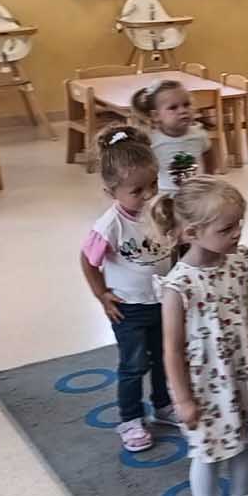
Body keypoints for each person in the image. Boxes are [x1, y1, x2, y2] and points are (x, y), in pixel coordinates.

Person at [156, 178, 248, 496]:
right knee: (209, 451)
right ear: (192, 232)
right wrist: (182, 399)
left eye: (239, 224)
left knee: (246, 439)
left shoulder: (241, 262)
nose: (237, 233)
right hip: (206, 384)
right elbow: (172, 350)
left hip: (243, 371)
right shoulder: (178, 286)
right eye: (226, 228)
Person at [79, 126, 176, 452]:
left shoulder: (158, 209)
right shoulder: (110, 225)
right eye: (137, 191)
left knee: (165, 357)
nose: (148, 195)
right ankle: (131, 419)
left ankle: (163, 406)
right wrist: (102, 295)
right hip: (129, 307)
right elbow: (88, 260)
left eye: (153, 185)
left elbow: (171, 243)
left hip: (162, 300)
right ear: (111, 192)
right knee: (134, 365)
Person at [132, 77, 211, 193]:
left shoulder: (199, 134)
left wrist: (208, 180)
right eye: (173, 108)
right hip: (164, 195)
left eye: (186, 105)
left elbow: (208, 154)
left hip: (194, 194)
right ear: (156, 116)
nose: (183, 111)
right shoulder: (151, 140)